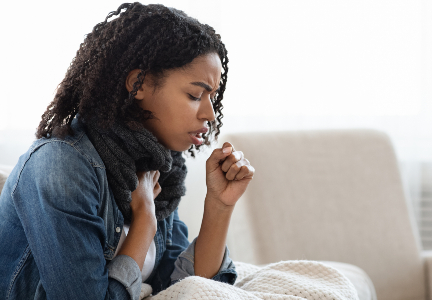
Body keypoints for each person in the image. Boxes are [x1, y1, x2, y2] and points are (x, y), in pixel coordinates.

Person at [0, 3, 255, 299]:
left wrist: (219, 206)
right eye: (195, 95)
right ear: (138, 84)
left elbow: (182, 287)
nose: (210, 114)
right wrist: (144, 219)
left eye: (213, 97)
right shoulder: (61, 166)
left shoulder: (155, 165)